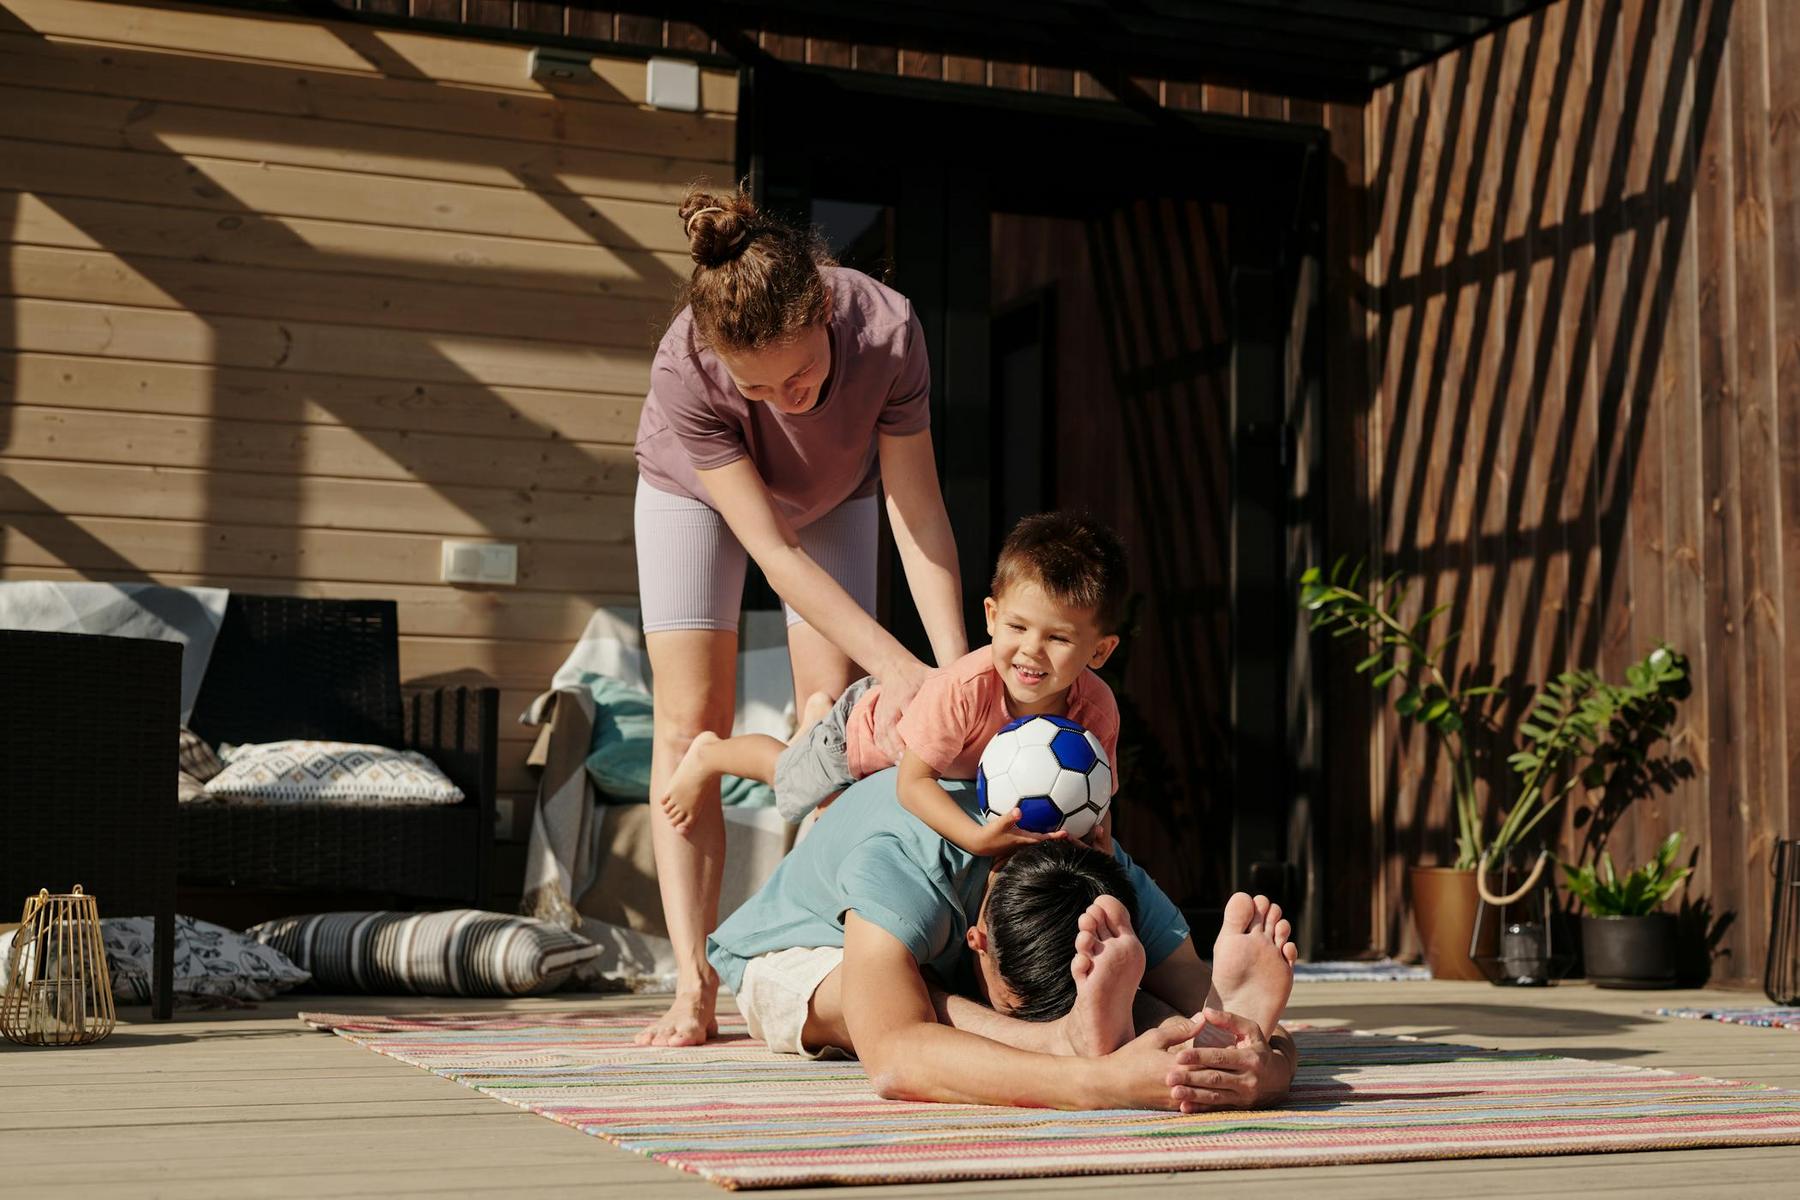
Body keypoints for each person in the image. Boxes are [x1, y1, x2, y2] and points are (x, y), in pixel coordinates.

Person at [632, 184, 967, 1047]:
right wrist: (905, 673)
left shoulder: (887, 332)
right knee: (688, 717)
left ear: (822, 307)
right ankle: (693, 980)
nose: (785, 400)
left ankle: (810, 955)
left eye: (800, 375)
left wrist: (959, 674)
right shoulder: (685, 369)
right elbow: (772, 557)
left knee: (833, 724)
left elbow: (918, 509)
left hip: (834, 490)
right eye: (758, 387)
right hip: (696, 493)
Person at [707, 769, 1299, 1111]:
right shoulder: (901, 864)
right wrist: (1097, 1081)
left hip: (958, 955)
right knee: (888, 1003)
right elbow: (892, 1058)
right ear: (979, 938)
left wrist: (1262, 1065)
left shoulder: (1099, 872)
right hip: (797, 951)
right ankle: (1066, 1037)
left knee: (1184, 1008)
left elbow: (1208, 998)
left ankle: (1084, 1024)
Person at [658, 511, 1124, 860]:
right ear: (991, 617)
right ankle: (710, 753)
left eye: (1058, 638)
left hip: (926, 755)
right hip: (862, 737)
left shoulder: (1096, 710)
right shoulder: (965, 689)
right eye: (1018, 628)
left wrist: (1098, 845)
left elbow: (1095, 795)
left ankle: (814, 712)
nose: (1031, 651)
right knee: (789, 780)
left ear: (1099, 652)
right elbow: (912, 784)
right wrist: (974, 839)